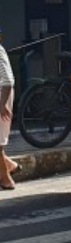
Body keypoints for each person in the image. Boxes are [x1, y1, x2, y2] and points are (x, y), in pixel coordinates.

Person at [0, 26, 18, 190]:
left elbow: (8, 81)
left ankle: (6, 179)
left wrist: (2, 104)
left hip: (1, 99)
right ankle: (10, 166)